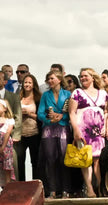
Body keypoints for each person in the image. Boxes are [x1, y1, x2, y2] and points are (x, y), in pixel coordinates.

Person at [69, 68, 108, 197]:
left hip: (98, 132)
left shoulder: (103, 93)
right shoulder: (77, 93)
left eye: (85, 76)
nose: (83, 78)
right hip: (83, 130)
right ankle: (90, 188)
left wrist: (106, 127)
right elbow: (72, 112)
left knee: (98, 159)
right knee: (85, 160)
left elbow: (106, 111)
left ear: (93, 77)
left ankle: (101, 187)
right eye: (81, 76)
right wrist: (76, 130)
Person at [38, 70, 72, 198]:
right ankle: (52, 190)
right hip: (49, 129)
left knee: (64, 159)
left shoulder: (68, 94)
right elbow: (40, 113)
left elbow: (72, 112)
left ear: (59, 79)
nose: (50, 81)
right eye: (48, 79)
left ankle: (66, 190)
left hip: (63, 128)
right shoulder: (45, 95)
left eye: (52, 78)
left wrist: (61, 117)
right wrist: (49, 119)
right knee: (50, 160)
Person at [15, 74, 42, 182]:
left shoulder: (38, 98)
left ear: (33, 84)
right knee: (19, 162)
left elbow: (41, 117)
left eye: (29, 82)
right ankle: (21, 185)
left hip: (34, 133)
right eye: (25, 82)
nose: (27, 84)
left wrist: (29, 114)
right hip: (20, 134)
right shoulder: (18, 98)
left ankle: (35, 186)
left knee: (35, 161)